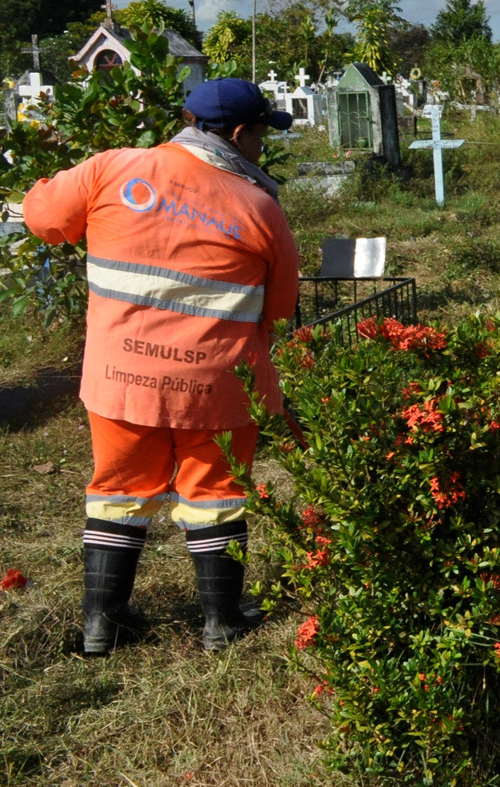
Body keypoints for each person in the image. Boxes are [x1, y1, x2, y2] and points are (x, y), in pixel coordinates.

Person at [23, 78, 300, 654]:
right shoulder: (259, 206)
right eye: (258, 138)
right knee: (216, 492)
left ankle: (103, 626)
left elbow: (43, 218)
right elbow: (278, 308)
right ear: (242, 134)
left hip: (121, 379)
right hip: (218, 385)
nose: (259, 151)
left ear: (187, 119)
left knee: (118, 490)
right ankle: (220, 624)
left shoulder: (111, 169)